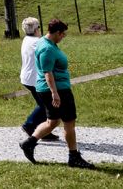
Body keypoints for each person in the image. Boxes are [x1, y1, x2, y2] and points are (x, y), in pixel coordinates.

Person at [20, 18, 96, 169]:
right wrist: (55, 93)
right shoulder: (47, 48)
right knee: (69, 122)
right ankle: (74, 157)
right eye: (62, 34)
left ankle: (29, 143)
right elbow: (48, 73)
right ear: (56, 33)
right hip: (57, 90)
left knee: (52, 121)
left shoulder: (44, 42)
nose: (63, 37)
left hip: (51, 89)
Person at [19, 17, 58, 141]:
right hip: (34, 79)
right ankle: (29, 125)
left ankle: (44, 130)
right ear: (36, 29)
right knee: (45, 105)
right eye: (39, 27)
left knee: (44, 104)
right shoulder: (38, 42)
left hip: (27, 77)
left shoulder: (26, 39)